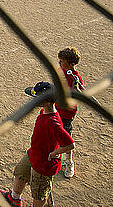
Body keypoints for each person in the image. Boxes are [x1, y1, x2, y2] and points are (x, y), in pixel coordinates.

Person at [0, 82, 74, 207]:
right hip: (34, 153)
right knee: (20, 173)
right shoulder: (43, 111)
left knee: (39, 192)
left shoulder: (53, 122)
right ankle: (14, 198)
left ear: (47, 102)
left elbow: (70, 144)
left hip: (44, 163)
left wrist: (54, 154)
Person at [54, 47, 84, 178]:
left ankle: (69, 161)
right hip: (56, 109)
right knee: (53, 132)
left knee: (66, 138)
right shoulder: (60, 72)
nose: (59, 63)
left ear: (72, 64)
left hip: (66, 113)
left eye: (62, 61)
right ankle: (54, 154)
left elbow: (77, 95)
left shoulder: (75, 77)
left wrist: (76, 89)